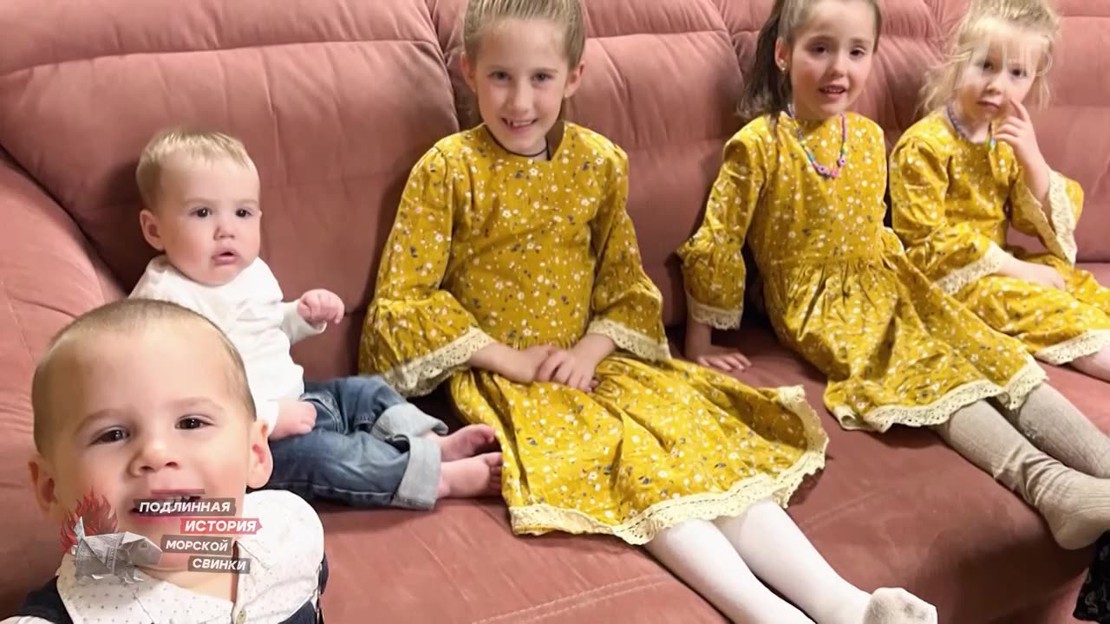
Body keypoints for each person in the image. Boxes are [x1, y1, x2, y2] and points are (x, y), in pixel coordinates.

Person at [361, 0, 935, 622]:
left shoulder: (598, 164)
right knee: (636, 467)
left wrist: (591, 350)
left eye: (541, 77)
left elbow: (625, 286)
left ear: (574, 76)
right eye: (501, 76)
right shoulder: (447, 171)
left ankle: (847, 604)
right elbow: (403, 301)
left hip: (602, 365)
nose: (520, 101)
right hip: (516, 383)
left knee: (699, 448)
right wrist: (509, 360)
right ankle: (767, 615)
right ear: (470, 71)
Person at [677, 0, 1110, 553]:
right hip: (818, 301)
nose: (839, 68)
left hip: (888, 278)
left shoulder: (864, 137)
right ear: (784, 54)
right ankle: (1051, 488)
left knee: (984, 348)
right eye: (820, 49)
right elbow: (717, 239)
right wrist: (700, 341)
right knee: (926, 369)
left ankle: (1102, 462)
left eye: (857, 52)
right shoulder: (759, 145)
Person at [129, 128, 501, 511]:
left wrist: (301, 316)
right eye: (202, 212)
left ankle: (430, 444)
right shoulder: (163, 304)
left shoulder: (249, 272)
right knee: (330, 457)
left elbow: (265, 329)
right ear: (155, 230)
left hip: (303, 396)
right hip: (254, 446)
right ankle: (437, 479)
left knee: (366, 393)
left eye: (242, 213)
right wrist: (270, 418)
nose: (227, 230)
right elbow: (182, 402)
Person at [5, 299, 326, 623]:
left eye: (191, 423)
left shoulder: (292, 531)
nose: (156, 454)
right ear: (51, 489)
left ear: (254, 453)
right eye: (113, 434)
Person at [888, 0, 1110, 382]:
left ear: (1033, 81)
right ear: (960, 61)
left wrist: (1033, 160)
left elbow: (1032, 218)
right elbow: (925, 244)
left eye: (1017, 73)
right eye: (986, 65)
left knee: (1079, 286)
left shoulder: (1003, 139)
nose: (997, 85)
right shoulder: (924, 146)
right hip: (948, 281)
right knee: (1048, 307)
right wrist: (1019, 271)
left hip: (1000, 265)